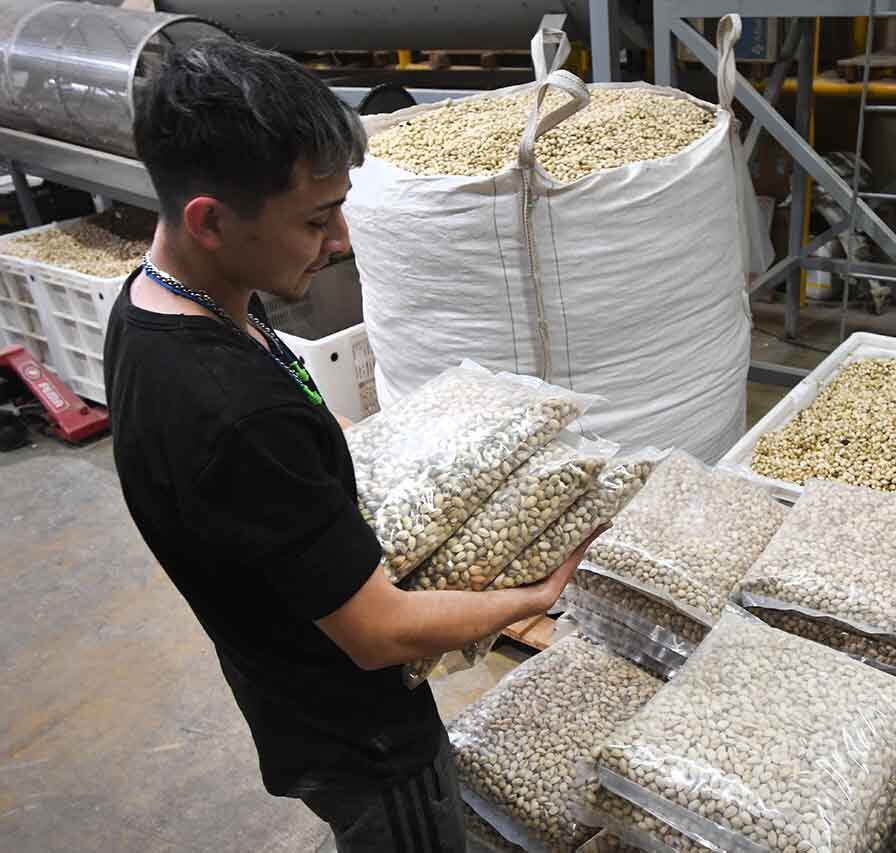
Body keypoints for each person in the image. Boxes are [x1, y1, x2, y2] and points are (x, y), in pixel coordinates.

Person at [104, 39, 595, 852]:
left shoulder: (165, 295)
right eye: (314, 218)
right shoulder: (228, 411)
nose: (340, 238)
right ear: (210, 219)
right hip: (360, 736)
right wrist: (536, 597)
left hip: (290, 675)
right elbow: (380, 631)